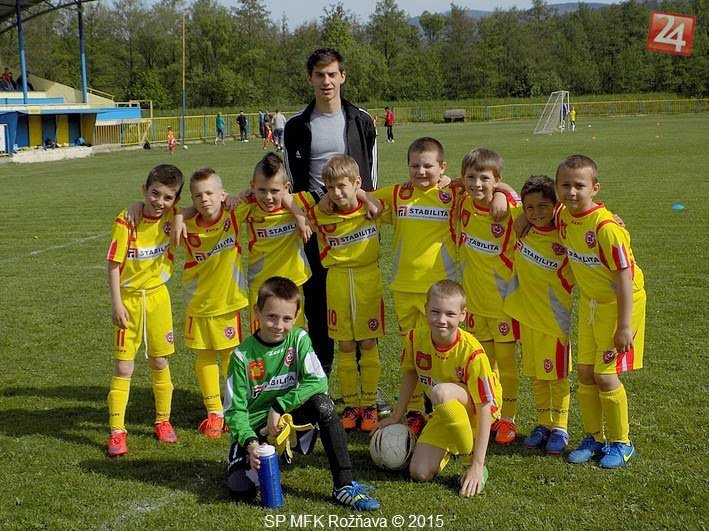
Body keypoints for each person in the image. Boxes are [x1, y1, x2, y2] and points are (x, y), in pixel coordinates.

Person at [224, 277, 380, 510]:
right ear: (257, 312)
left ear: (296, 316)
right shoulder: (241, 356)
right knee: (241, 490)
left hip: (291, 422)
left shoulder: (298, 339)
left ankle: (344, 485)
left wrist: (279, 406)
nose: (279, 325)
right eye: (271, 316)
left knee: (322, 403)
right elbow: (234, 411)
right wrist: (251, 444)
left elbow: (318, 381)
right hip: (257, 430)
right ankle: (259, 456)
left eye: (287, 319)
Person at [283, 48, 377, 378]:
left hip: (354, 225)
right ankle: (319, 377)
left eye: (332, 74)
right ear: (310, 78)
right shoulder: (296, 125)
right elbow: (292, 181)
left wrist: (358, 204)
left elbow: (370, 176)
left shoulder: (361, 120)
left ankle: (367, 380)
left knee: (361, 301)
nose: (326, 81)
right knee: (318, 301)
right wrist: (315, 203)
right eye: (320, 75)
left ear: (342, 76)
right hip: (316, 224)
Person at [555, 155, 646, 469]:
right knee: (584, 372)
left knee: (605, 375)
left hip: (619, 304)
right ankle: (594, 437)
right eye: (565, 185)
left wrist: (624, 326)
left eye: (579, 185)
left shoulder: (606, 228)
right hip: (590, 303)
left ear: (595, 188)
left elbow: (624, 279)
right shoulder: (563, 215)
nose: (572, 192)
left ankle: (622, 442)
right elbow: (526, 200)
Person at [370, 137, 461, 435]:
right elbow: (361, 196)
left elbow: (487, 186)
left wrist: (457, 180)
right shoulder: (399, 194)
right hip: (404, 289)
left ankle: (445, 408)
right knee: (413, 353)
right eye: (414, 166)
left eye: (428, 166)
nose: (421, 172)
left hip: (440, 292)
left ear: (442, 167)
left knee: (443, 351)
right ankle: (414, 410)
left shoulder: (452, 194)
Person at [376, 280, 501, 497]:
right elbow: (411, 373)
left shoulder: (473, 353)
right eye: (435, 312)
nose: (441, 320)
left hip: (478, 411)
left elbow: (484, 407)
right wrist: (397, 415)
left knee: (441, 392)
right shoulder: (415, 338)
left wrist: (477, 465)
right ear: (425, 309)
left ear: (463, 315)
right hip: (446, 410)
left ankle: (468, 460)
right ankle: (456, 438)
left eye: (450, 314)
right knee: (419, 472)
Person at [105, 164, 184, 457]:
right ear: (144, 190)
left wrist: (179, 216)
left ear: (175, 201)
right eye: (154, 194)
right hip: (129, 301)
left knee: (160, 361)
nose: (159, 201)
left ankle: (163, 421)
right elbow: (114, 264)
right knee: (124, 367)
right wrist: (116, 303)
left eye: (167, 197)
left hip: (158, 299)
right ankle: (117, 431)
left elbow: (199, 208)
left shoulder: (173, 216)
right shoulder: (126, 221)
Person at [308, 155, 386, 432]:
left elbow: (397, 199)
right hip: (337, 281)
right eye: (330, 188)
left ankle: (370, 404)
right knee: (345, 345)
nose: (337, 193)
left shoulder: (373, 207)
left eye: (342, 186)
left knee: (368, 342)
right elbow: (288, 199)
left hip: (368, 280)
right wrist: (321, 199)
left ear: (356, 183)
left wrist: (365, 197)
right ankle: (352, 405)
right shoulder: (321, 213)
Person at [503, 175, 573, 455]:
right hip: (527, 317)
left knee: (557, 377)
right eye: (529, 208)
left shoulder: (565, 232)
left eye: (543, 206)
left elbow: (584, 216)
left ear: (556, 205)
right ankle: (544, 422)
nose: (536, 213)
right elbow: (499, 190)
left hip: (554, 320)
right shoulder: (524, 223)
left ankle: (561, 427)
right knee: (536, 375)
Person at [457, 148, 523, 445]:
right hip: (474, 303)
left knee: (507, 365)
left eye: (485, 178)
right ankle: (492, 413)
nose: (477, 184)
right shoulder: (463, 204)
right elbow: (446, 184)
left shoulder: (509, 209)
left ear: (497, 180)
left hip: (503, 305)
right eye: (471, 177)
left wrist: (504, 193)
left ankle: (509, 417)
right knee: (484, 363)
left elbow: (538, 208)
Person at [180, 167, 249, 438]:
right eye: (198, 195)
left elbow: (260, 192)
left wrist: (237, 196)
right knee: (205, 357)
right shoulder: (186, 224)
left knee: (231, 357)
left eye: (210, 193)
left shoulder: (233, 215)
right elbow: (158, 212)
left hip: (227, 303)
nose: (204, 199)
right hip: (196, 304)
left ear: (222, 194)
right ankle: (214, 412)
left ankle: (233, 408)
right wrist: (180, 214)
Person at [238, 152, 313, 333]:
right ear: (252, 186)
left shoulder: (298, 203)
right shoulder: (248, 208)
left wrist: (299, 215)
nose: (268, 197)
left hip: (292, 283)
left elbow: (330, 192)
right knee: (261, 337)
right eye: (261, 190)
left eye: (274, 191)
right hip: (260, 285)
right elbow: (217, 210)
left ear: (286, 188)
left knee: (293, 336)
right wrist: (236, 198)